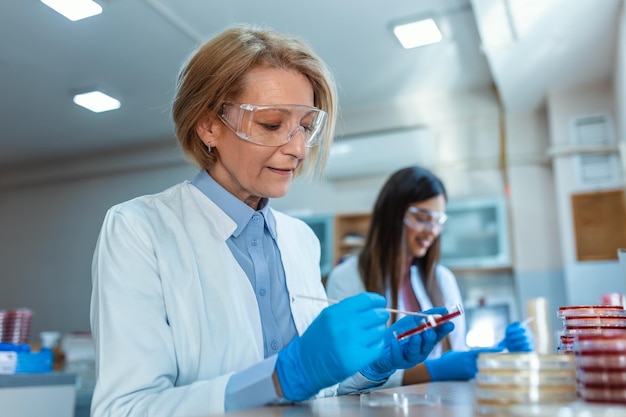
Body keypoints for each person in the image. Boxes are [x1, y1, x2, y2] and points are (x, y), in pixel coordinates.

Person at [90, 25, 453, 417]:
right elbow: (124, 408)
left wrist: (373, 367)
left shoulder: (300, 240)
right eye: (271, 124)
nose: (297, 149)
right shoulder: (139, 228)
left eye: (305, 128)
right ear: (209, 125)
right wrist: (282, 377)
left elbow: (318, 387)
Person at [326, 166, 534, 386]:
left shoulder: (443, 279)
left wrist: (500, 352)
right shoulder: (347, 278)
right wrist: (432, 370)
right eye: (422, 218)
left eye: (438, 221)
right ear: (392, 215)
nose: (431, 230)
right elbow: (343, 377)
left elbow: (458, 355)